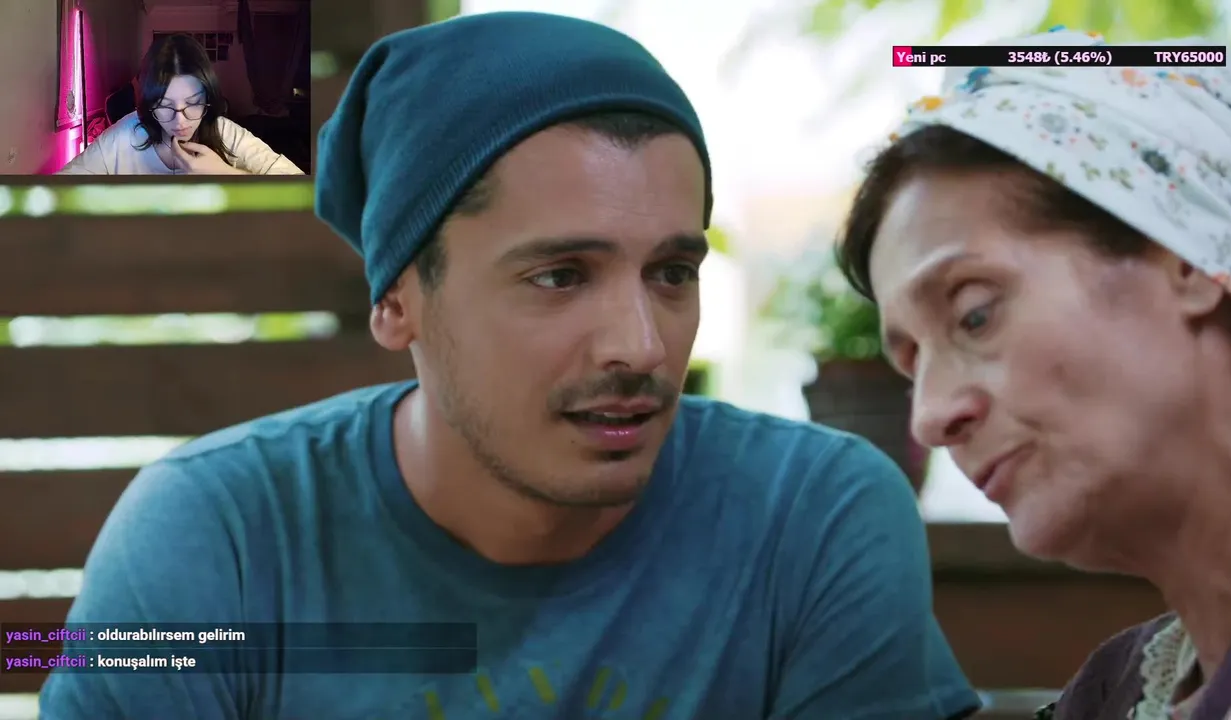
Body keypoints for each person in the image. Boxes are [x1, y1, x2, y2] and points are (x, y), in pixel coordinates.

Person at [38, 12, 979, 720]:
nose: (642, 346)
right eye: (559, 276)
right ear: (398, 300)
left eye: (671, 273)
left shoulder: (810, 518)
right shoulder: (218, 538)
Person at [836, 26, 1231, 720]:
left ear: (1192, 257)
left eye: (975, 315)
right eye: (912, 363)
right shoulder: (1124, 692)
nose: (929, 417)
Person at [57, 33, 302, 175]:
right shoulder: (125, 134)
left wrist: (226, 173)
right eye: (165, 106)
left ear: (208, 98)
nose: (180, 121)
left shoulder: (225, 133)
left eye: (193, 103)